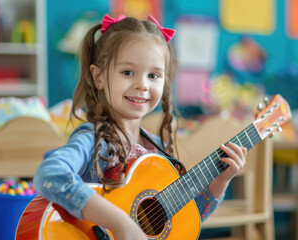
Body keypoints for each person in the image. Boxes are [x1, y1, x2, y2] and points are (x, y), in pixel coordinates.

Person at [34, 14, 247, 240]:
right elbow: (49, 175)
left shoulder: (158, 148)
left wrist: (221, 181)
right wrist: (119, 223)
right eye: (128, 72)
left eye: (153, 75)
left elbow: (180, 221)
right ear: (98, 77)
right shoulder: (94, 139)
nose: (142, 85)